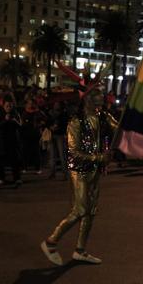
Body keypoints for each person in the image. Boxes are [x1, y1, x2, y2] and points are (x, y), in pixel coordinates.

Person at [41, 85, 118, 266]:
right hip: (80, 170)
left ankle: (80, 250)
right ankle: (51, 242)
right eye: (96, 97)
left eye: (101, 97)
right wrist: (100, 157)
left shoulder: (102, 116)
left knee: (91, 211)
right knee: (80, 210)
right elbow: (74, 152)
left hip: (95, 170)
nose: (100, 100)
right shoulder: (75, 122)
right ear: (87, 100)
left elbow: (119, 128)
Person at [0, 100, 24, 186]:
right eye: (7, 106)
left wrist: (15, 121)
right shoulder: (0, 114)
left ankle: (17, 178)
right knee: (0, 161)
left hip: (13, 141)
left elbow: (20, 126)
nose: (9, 107)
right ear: (4, 106)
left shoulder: (16, 114)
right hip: (2, 141)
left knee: (14, 160)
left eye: (10, 106)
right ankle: (1, 178)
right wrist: (5, 120)